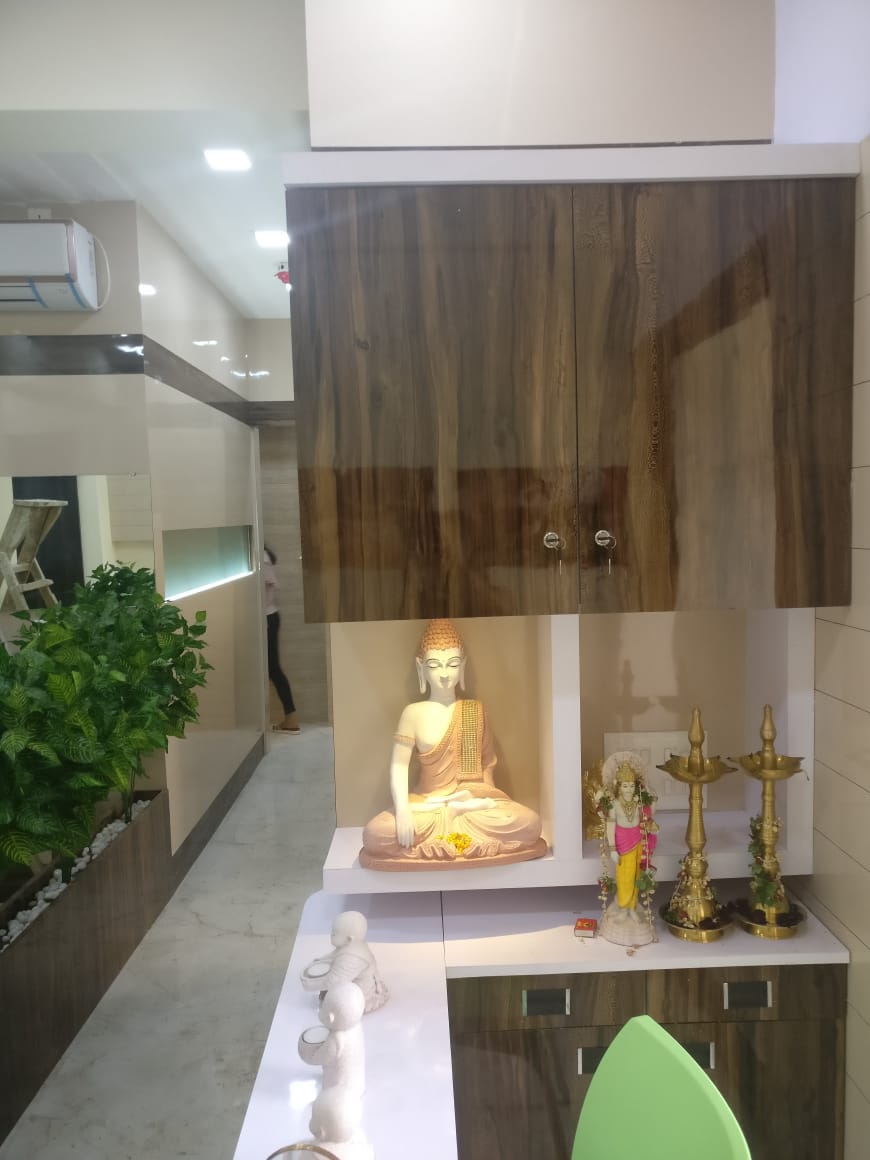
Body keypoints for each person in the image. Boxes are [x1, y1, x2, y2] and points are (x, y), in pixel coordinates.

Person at [360, 619, 547, 869]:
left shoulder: (473, 711)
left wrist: (477, 801)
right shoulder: (413, 713)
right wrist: (403, 811)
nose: (445, 674)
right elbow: (399, 766)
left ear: (463, 666)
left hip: (471, 806)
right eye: (434, 665)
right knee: (376, 834)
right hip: (427, 805)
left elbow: (486, 770)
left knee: (530, 823)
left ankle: (453, 823)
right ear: (421, 668)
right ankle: (454, 821)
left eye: (453, 664)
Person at [605, 762, 658, 926]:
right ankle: (623, 908)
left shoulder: (638, 801)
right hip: (622, 843)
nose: (628, 789)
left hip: (638, 839)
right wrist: (612, 849)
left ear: (636, 786)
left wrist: (650, 792)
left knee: (636, 874)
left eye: (631, 786)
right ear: (619, 787)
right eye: (625, 786)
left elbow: (651, 810)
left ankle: (633, 907)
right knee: (624, 876)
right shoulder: (614, 804)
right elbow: (610, 826)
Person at [263, 545, 299, 733]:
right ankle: (290, 718)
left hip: (267, 619)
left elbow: (263, 592)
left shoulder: (262, 558)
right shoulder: (262, 557)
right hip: (268, 618)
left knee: (273, 669)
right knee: (271, 670)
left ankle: (291, 718)